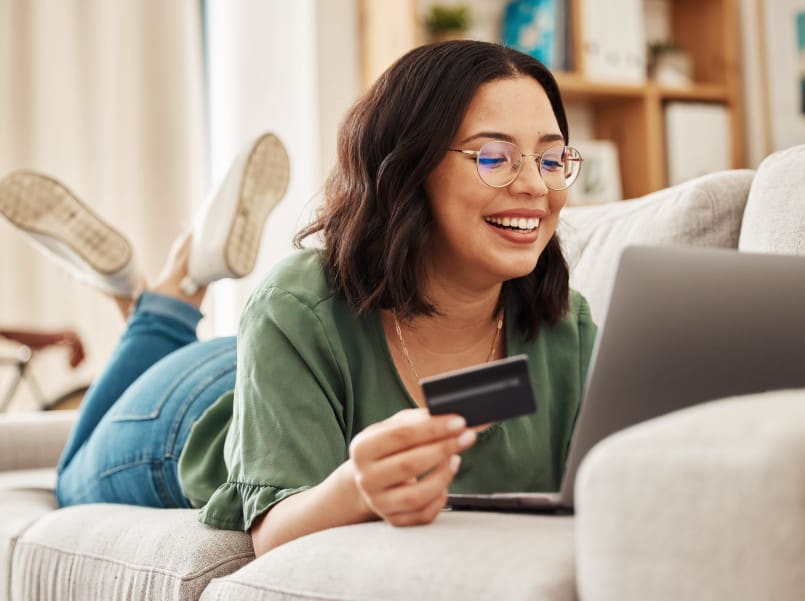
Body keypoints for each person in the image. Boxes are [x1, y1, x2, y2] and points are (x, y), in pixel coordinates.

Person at [0, 40, 596, 557]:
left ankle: (157, 288)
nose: (535, 186)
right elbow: (271, 536)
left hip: (286, 366)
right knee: (72, 475)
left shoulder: (566, 326)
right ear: (406, 169)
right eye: (494, 157)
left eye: (551, 158)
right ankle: (162, 303)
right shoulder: (296, 303)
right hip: (192, 411)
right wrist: (357, 489)